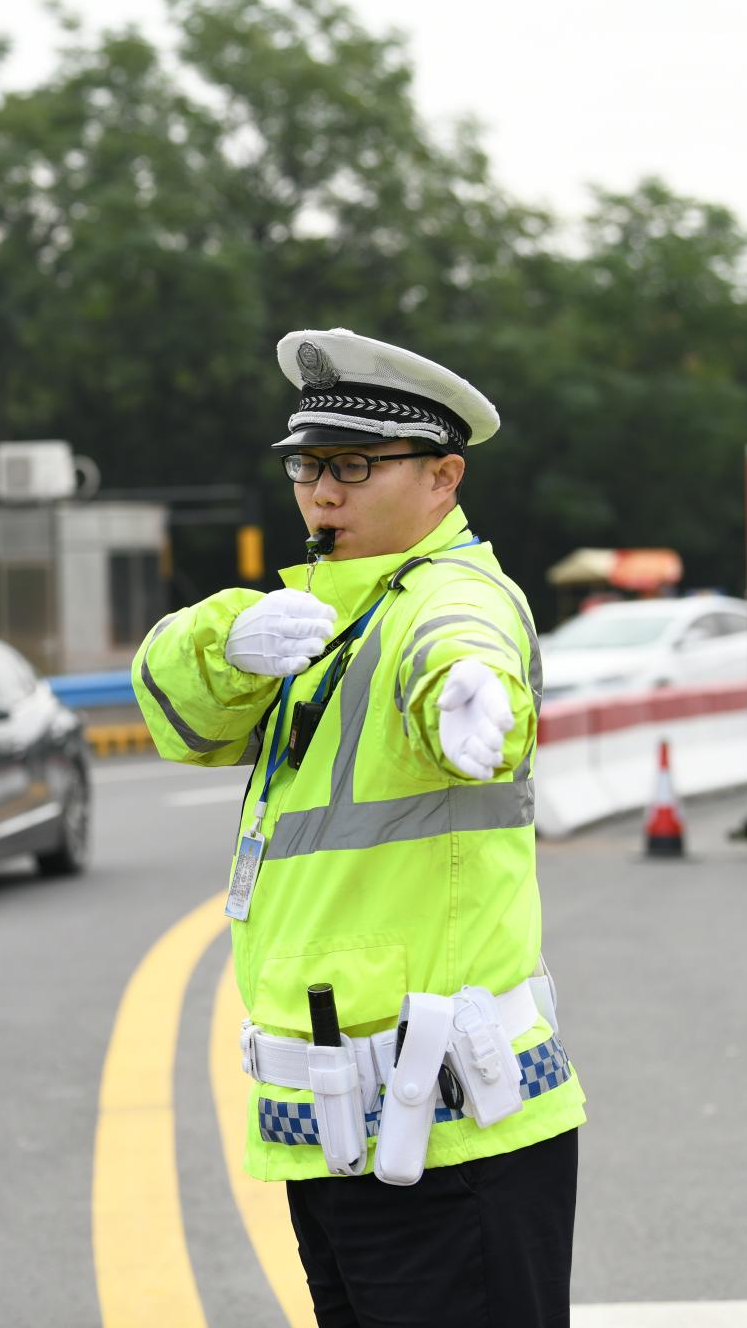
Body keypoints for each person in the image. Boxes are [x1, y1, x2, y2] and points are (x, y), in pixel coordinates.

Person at [131, 328, 585, 1327]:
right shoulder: (321, 611)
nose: (319, 493)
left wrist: (465, 690)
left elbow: (458, 640)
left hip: (450, 1133)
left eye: (350, 467)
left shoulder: (449, 595)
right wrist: (227, 643)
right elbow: (177, 717)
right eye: (305, 466)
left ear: (442, 477)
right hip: (343, 1133)